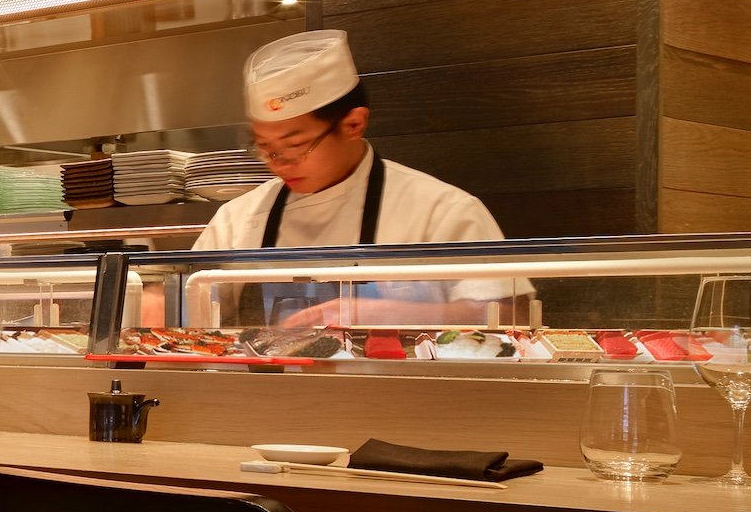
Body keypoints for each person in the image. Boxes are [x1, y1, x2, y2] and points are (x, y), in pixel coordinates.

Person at [194, 30, 514, 323]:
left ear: (354, 125)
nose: (278, 164)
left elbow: (508, 315)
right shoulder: (237, 218)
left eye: (295, 146)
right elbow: (187, 306)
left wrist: (378, 313)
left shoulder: (442, 209)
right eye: (265, 148)